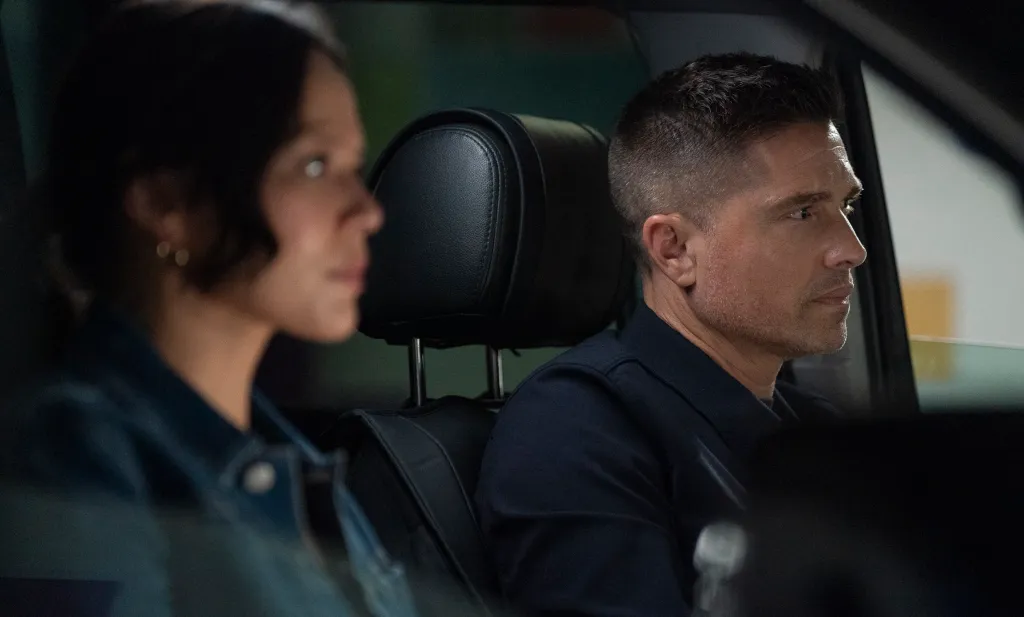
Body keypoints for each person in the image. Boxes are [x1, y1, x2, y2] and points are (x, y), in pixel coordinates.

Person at [0, 2, 417, 617]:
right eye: (314, 165)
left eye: (353, 168)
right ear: (166, 203)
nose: (367, 211)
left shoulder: (295, 465)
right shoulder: (73, 458)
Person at [475, 52, 867, 617]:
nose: (852, 249)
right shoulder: (576, 430)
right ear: (674, 250)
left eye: (847, 205)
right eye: (803, 213)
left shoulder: (811, 429)